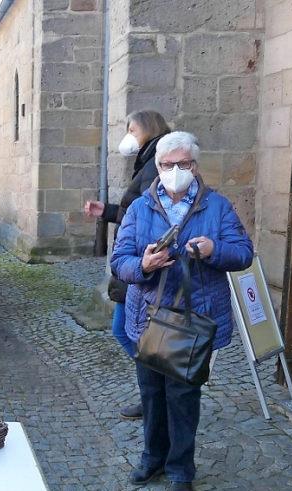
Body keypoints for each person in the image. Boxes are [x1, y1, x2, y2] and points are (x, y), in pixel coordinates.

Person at [111, 131, 253, 490]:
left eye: (183, 163)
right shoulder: (140, 207)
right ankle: (152, 459)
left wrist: (213, 250)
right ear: (158, 166)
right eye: (167, 164)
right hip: (148, 317)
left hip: (194, 320)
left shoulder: (217, 206)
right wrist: (143, 264)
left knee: (183, 398)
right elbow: (119, 261)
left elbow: (243, 253)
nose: (175, 171)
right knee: (151, 394)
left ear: (195, 165)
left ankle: (180, 470)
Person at [84, 109, 170, 420]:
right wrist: (106, 211)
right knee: (126, 330)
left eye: (132, 130)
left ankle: (158, 389)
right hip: (135, 261)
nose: (129, 136)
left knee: (126, 330)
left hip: (140, 261)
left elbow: (145, 214)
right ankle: (156, 390)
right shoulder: (147, 159)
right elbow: (135, 211)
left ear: (148, 128)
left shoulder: (156, 160)